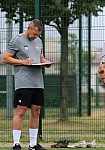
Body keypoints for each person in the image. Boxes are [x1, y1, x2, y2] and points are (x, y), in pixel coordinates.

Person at [2, 19, 52, 150]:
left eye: (38, 35)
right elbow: (5, 58)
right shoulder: (17, 40)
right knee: (21, 111)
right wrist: (24, 62)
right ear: (29, 28)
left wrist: (45, 62)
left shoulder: (39, 41)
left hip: (38, 82)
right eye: (34, 34)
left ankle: (33, 144)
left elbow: (39, 57)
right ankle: (16, 143)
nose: (36, 37)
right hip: (23, 82)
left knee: (36, 111)